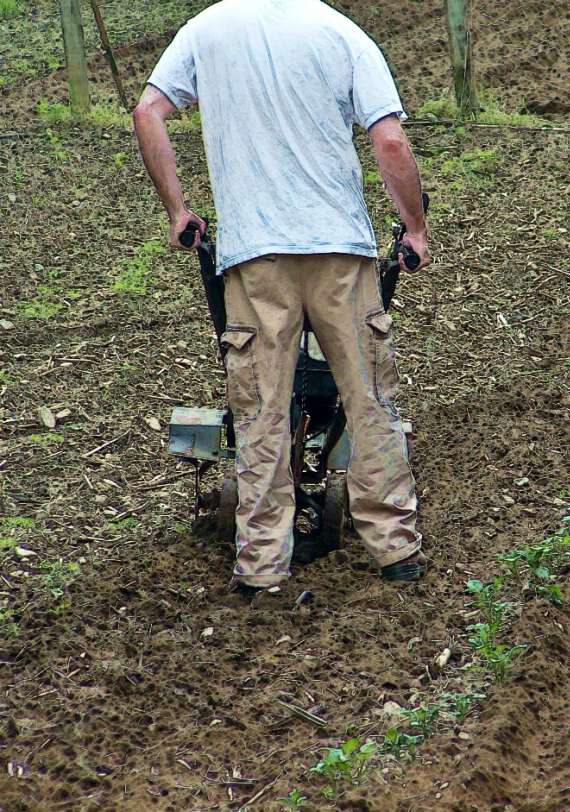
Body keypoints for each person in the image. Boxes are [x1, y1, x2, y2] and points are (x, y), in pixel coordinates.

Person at [133, 0, 429, 598]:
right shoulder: (341, 31)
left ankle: (263, 564)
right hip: (340, 252)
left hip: (254, 256)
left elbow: (148, 112)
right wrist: (415, 227)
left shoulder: (206, 29)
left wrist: (177, 212)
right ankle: (394, 549)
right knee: (368, 401)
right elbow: (390, 143)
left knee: (262, 410)